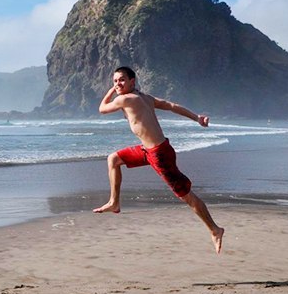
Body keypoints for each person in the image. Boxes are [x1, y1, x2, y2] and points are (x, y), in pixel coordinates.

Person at [93, 66, 225, 254]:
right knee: (113, 159)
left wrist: (110, 92)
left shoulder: (125, 99)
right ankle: (114, 202)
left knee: (186, 196)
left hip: (159, 155)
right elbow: (172, 106)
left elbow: (102, 109)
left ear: (133, 81)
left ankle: (214, 229)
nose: (117, 84)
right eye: (114, 81)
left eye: (121, 80)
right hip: (151, 150)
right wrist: (196, 118)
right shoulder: (146, 98)